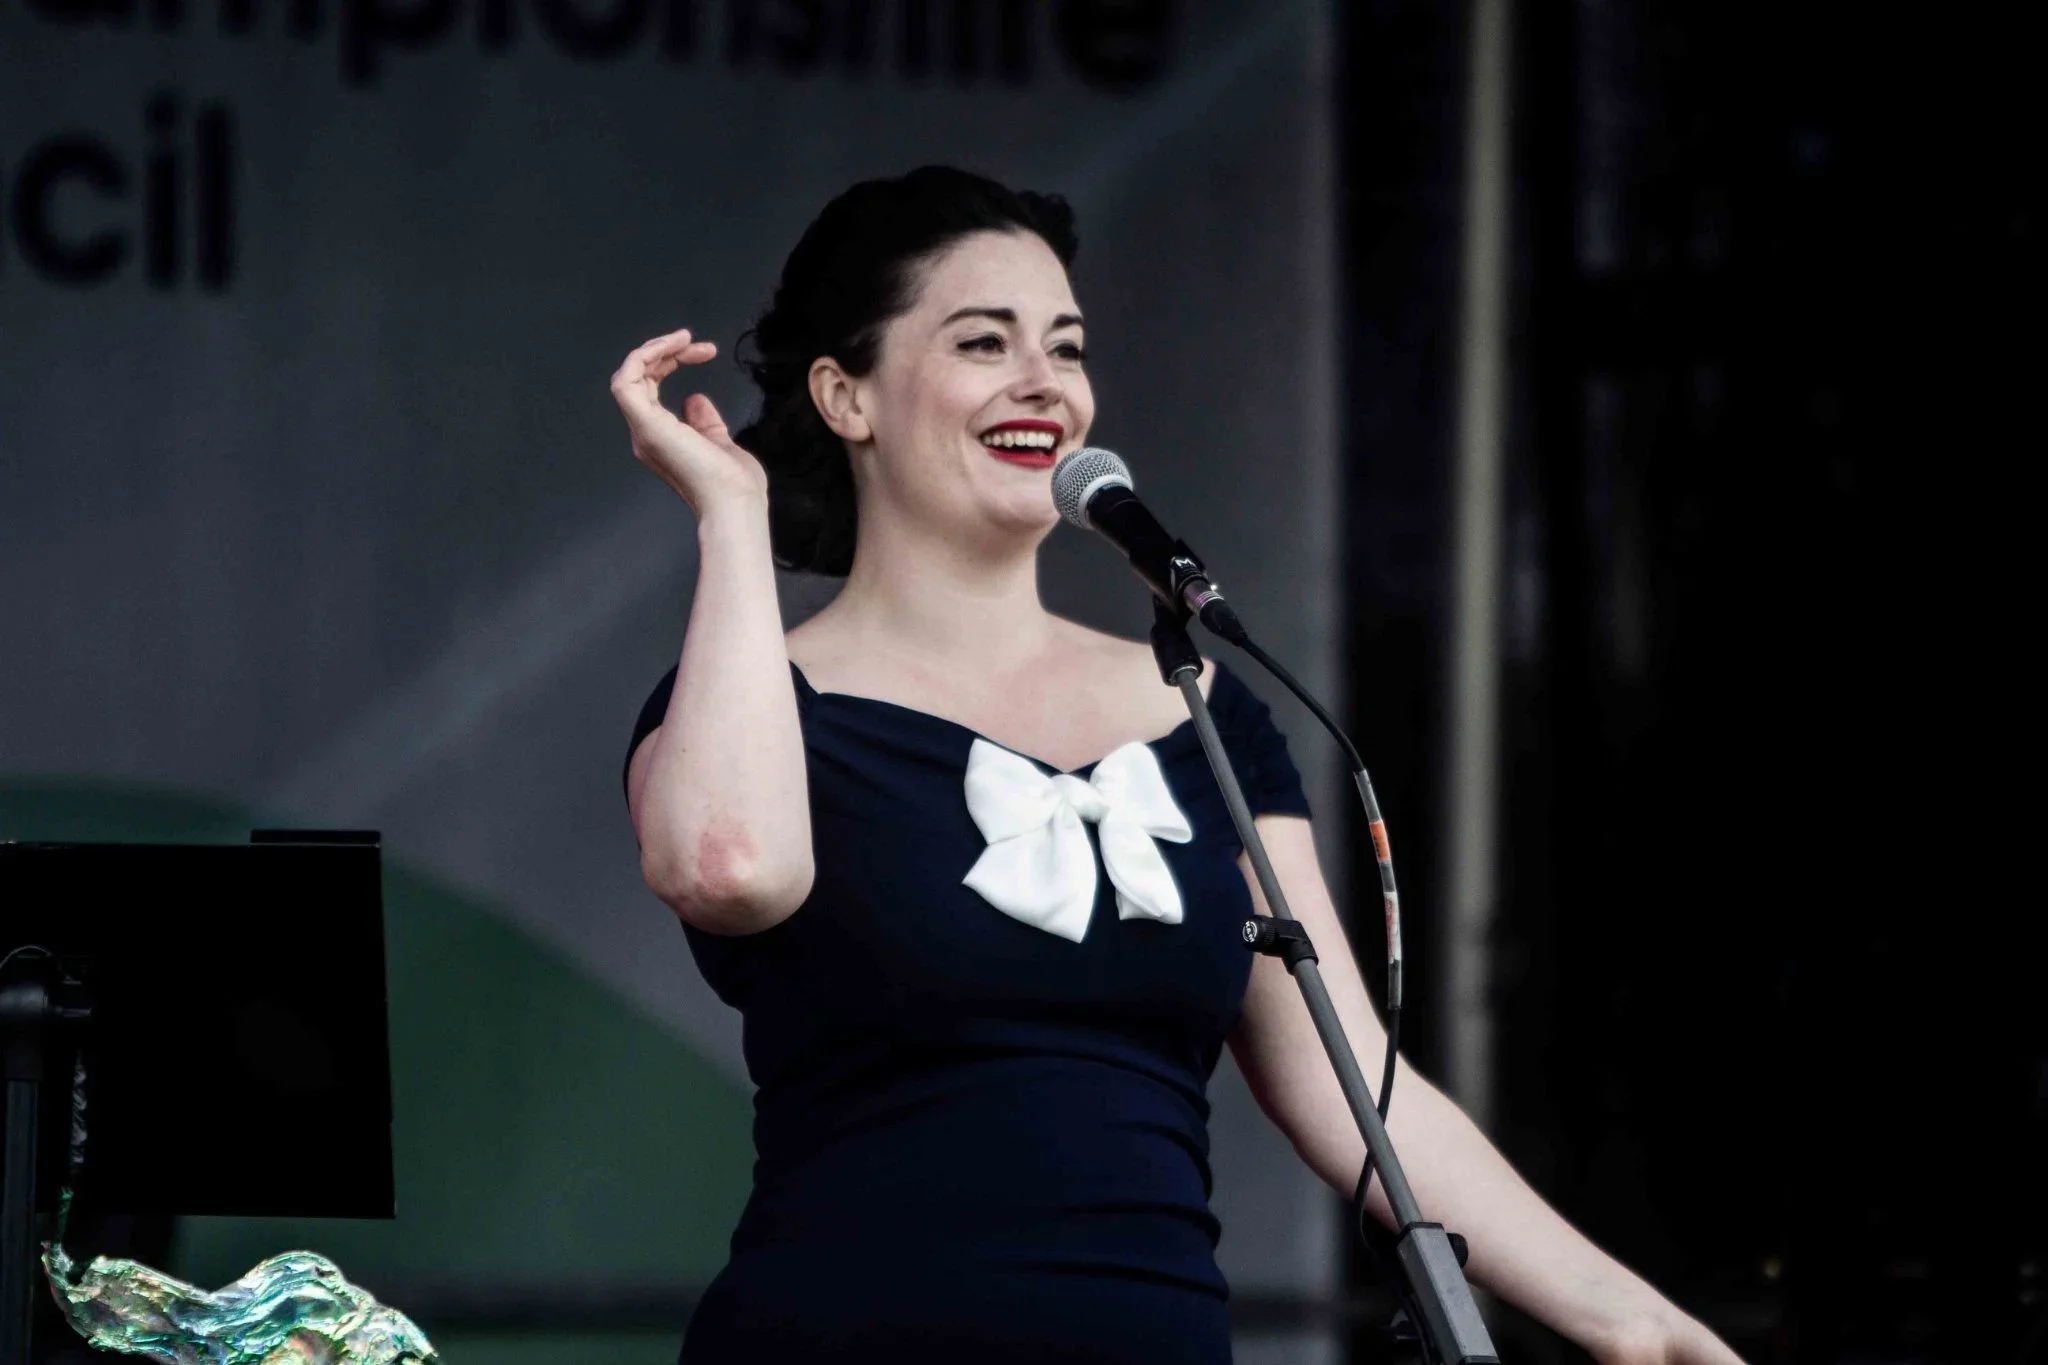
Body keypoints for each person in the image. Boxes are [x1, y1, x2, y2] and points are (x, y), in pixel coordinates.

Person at [617, 166, 1744, 1364]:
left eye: (1066, 346)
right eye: (982, 343)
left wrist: (1640, 1329)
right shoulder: (756, 708)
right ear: (845, 395)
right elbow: (730, 867)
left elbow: (1357, 1089)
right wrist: (730, 520)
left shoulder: (1197, 711)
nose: (1042, 384)